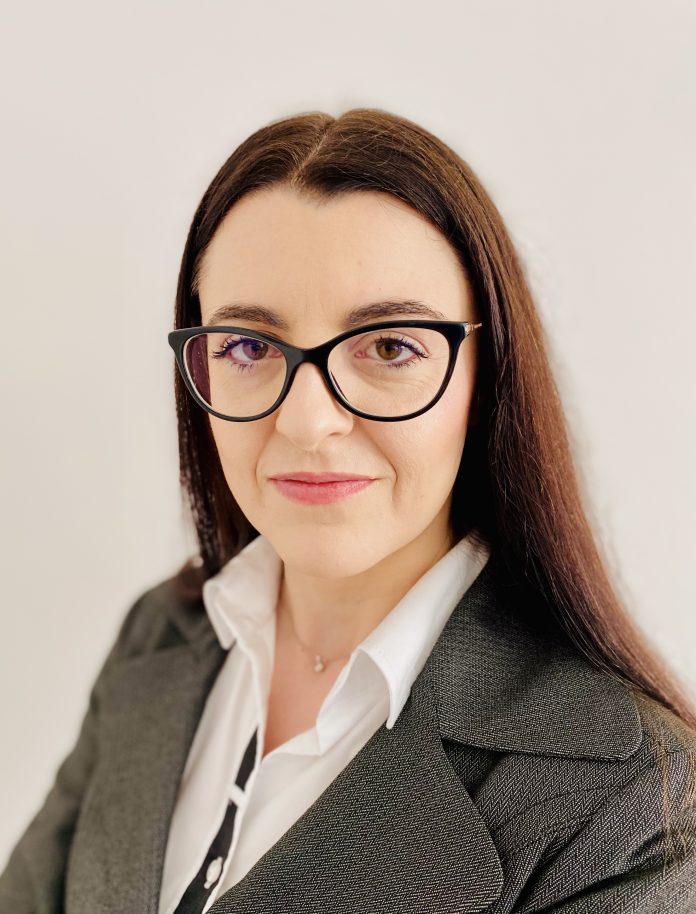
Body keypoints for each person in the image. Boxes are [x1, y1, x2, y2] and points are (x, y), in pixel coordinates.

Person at [1, 108, 695, 914]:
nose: (307, 421)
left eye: (391, 347)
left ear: (488, 379)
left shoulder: (631, 803)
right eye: (248, 347)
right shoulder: (162, 634)